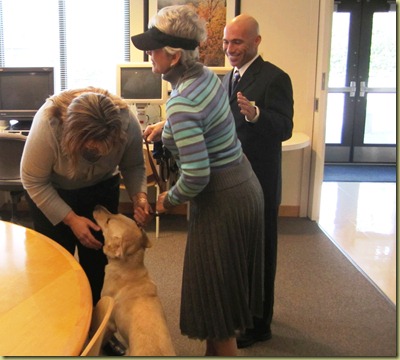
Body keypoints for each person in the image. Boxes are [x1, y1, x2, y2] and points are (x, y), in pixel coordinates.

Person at [131, 5, 265, 356]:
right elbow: (207, 120)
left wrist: (165, 201)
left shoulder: (183, 101)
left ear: (173, 56)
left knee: (216, 298)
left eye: (153, 48)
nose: (148, 53)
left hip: (221, 199)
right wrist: (165, 128)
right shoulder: (203, 76)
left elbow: (196, 175)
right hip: (242, 185)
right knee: (219, 294)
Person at [21, 86, 153, 306]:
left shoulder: (126, 122)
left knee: (98, 266)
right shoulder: (48, 124)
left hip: (99, 191)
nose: (97, 154)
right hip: (52, 193)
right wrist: (71, 220)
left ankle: (98, 332)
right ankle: (61, 329)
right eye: (91, 148)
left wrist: (139, 198)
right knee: (56, 268)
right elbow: (33, 180)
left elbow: (133, 165)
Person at [222, 14, 294, 348]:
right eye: (226, 41)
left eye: (237, 42)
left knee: (261, 253)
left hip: (261, 182)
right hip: (233, 182)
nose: (230, 48)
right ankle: (243, 311)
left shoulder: (275, 78)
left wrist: (256, 115)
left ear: (256, 42)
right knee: (240, 252)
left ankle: (260, 325)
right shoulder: (228, 79)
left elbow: (284, 128)